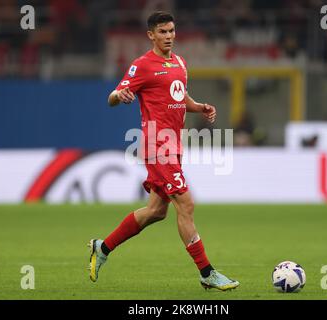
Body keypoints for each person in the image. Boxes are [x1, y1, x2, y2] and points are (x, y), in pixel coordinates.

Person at [88, 11, 239, 291]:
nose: (169, 36)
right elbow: (113, 96)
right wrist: (119, 96)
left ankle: (102, 247)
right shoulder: (142, 65)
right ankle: (207, 273)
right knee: (186, 204)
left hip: (174, 145)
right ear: (151, 35)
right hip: (156, 146)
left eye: (171, 31)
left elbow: (179, 97)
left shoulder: (180, 62)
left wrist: (199, 106)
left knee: (156, 212)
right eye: (162, 32)